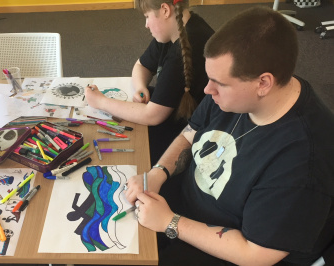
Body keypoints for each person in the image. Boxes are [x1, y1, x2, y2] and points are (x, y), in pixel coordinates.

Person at [124, 6, 334, 266]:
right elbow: (192, 133)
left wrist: (170, 222)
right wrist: (159, 172)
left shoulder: (302, 161)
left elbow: (256, 254)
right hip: (183, 208)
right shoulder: (231, 90)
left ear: (263, 83)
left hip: (228, 249)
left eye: (219, 83)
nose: (207, 89)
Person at [85, 0, 214, 165]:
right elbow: (141, 65)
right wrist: (140, 87)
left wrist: (100, 101)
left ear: (165, 10)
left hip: (191, 136)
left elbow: (152, 116)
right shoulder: (175, 30)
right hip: (173, 114)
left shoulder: (183, 51)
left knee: (125, 153)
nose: (146, 25)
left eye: (147, 16)